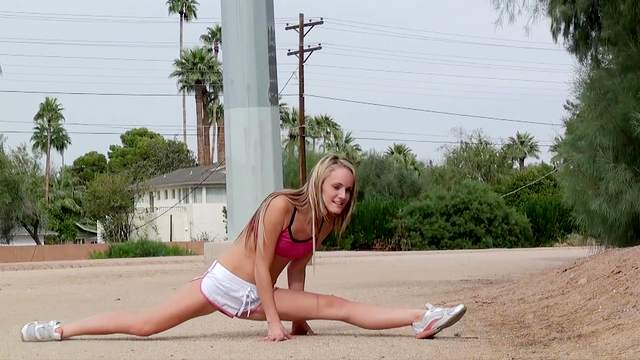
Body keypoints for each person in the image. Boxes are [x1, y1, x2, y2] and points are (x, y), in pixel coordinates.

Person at [21, 154, 466, 342]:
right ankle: (58, 330)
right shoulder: (280, 205)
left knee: (334, 305)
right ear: (320, 181)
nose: (343, 196)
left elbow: (294, 270)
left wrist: (299, 320)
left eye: (349, 190)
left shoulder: (325, 222)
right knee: (144, 325)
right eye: (337, 187)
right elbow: (258, 263)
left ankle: (419, 318)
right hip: (232, 282)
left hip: (256, 291)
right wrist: (274, 321)